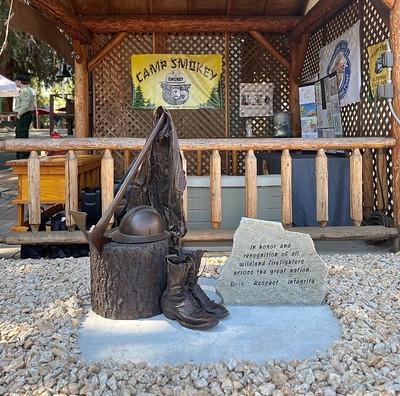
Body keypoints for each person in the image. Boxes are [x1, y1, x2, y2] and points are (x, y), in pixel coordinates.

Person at [14, 74, 35, 159]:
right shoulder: (26, 90)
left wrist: (19, 113)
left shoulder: (25, 91)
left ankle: (22, 156)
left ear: (19, 81)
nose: (15, 82)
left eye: (16, 80)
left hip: (24, 115)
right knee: (21, 134)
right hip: (24, 114)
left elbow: (25, 105)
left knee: (21, 134)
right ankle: (22, 155)